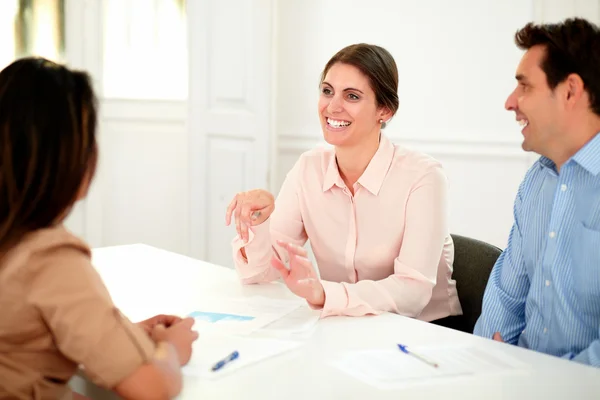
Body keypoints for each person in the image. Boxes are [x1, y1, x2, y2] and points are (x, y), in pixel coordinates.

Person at [0, 57, 199, 399]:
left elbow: (24, 340)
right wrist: (170, 350)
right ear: (68, 159)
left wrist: (120, 335)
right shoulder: (49, 259)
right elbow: (153, 388)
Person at [225, 43, 462, 323]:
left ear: (384, 110)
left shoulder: (423, 177)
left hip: (426, 331)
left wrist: (324, 294)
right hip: (345, 324)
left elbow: (413, 292)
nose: (332, 106)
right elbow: (259, 274)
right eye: (327, 91)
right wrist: (257, 222)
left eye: (352, 96)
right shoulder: (308, 169)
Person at [474, 18, 600, 367]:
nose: (510, 102)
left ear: (571, 91)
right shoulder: (537, 180)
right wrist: (488, 360)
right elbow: (507, 292)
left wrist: (547, 380)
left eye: (525, 87)